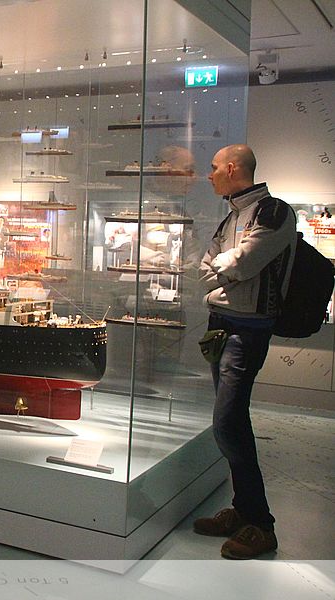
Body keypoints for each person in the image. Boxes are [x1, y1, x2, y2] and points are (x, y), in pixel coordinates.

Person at [196, 144, 296, 559]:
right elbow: (206, 269)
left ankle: (260, 523)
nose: (210, 175)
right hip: (223, 326)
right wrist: (228, 270)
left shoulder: (274, 212)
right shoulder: (234, 216)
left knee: (228, 423)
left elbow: (242, 263)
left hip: (247, 330)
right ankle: (243, 510)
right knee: (231, 423)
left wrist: (226, 269)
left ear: (232, 168)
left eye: (214, 168)